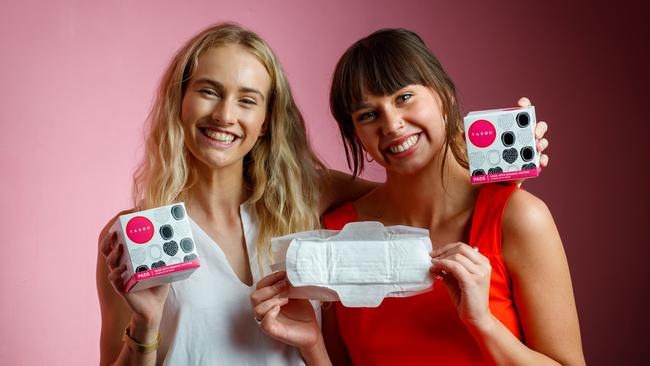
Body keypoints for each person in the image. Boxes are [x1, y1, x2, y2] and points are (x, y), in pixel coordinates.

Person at [250, 28, 582, 365]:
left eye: (404, 97)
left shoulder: (517, 217)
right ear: (356, 136)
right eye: (368, 115)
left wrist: (482, 323)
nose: (392, 125)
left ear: (444, 95)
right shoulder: (339, 233)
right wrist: (312, 345)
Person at [96, 23, 376, 365]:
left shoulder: (306, 198)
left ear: (266, 122)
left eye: (247, 100)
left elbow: (413, 194)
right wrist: (145, 323)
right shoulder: (135, 234)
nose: (224, 115)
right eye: (209, 91)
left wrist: (448, 137)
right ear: (180, 101)